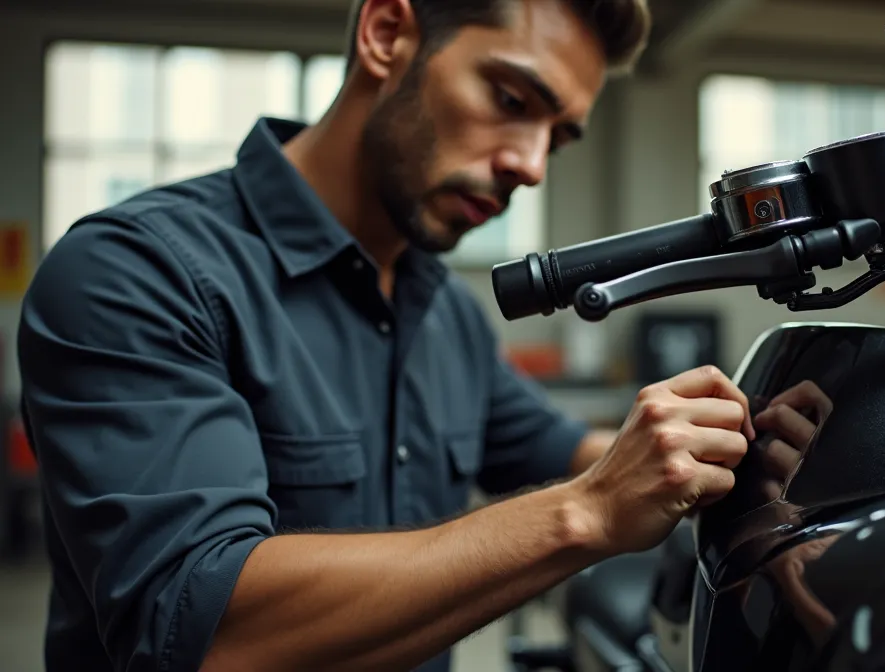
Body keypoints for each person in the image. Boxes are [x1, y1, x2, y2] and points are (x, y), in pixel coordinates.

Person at [16, 1, 755, 670]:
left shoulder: (446, 313)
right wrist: (586, 512)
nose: (529, 166)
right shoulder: (136, 272)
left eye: (555, 140)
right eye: (510, 100)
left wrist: (730, 451)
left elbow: (563, 449)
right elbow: (201, 630)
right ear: (386, 33)